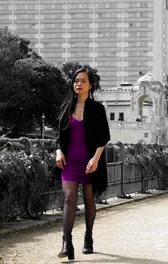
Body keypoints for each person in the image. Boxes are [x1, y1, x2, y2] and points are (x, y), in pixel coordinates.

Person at [55, 67, 110, 260]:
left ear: (91, 85)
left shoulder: (97, 108)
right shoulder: (66, 107)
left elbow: (104, 137)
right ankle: (66, 242)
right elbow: (59, 135)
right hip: (70, 161)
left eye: (83, 81)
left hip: (90, 161)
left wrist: (95, 159)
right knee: (69, 197)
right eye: (76, 80)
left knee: (89, 201)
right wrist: (58, 151)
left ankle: (88, 237)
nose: (78, 84)